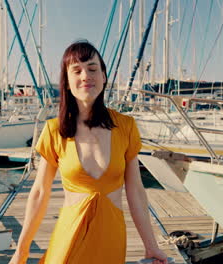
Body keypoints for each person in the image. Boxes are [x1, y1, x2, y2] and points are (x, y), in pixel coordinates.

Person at [10, 40, 168, 264]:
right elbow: (39, 193)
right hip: (69, 237)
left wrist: (151, 246)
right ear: (67, 82)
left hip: (110, 239)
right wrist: (21, 252)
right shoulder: (54, 130)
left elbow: (136, 191)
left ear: (104, 76)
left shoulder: (126, 126)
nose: (86, 76)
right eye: (77, 70)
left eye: (93, 69)